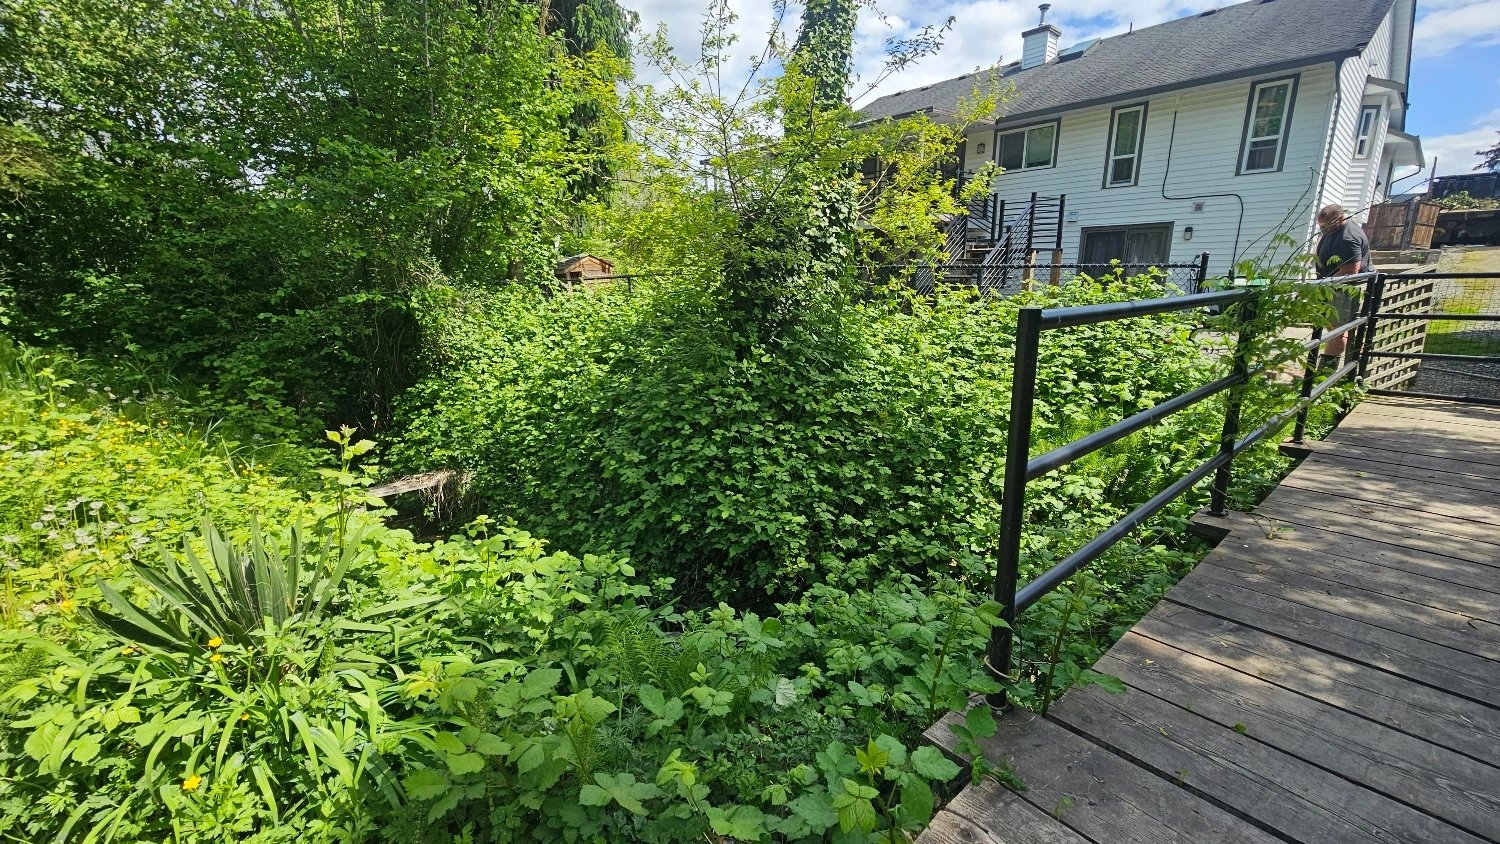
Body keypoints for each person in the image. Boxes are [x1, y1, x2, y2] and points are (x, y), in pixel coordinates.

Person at [1313, 204, 1373, 366]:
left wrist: (1323, 284)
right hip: (1332, 286)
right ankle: (1326, 371)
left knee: (1337, 330)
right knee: (1332, 327)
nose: (1323, 229)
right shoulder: (1334, 230)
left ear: (1340, 218)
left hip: (1343, 289)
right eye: (1321, 226)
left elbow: (1350, 271)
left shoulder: (1348, 237)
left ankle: (1326, 372)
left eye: (1326, 226)